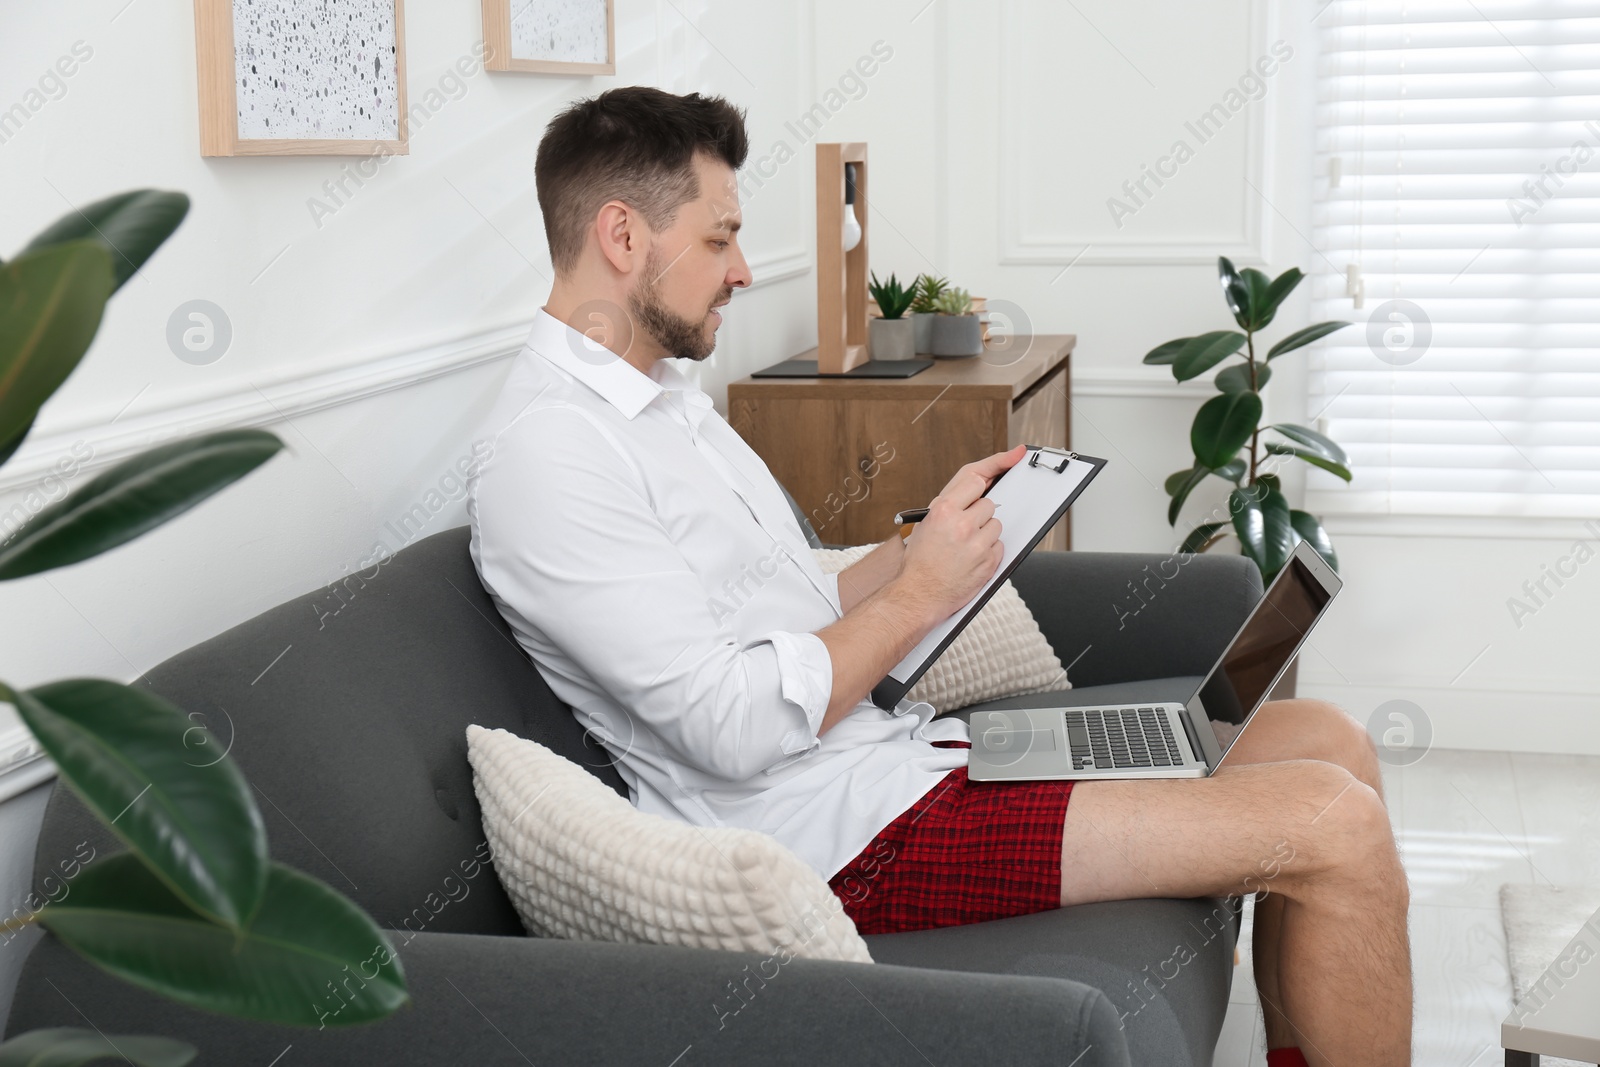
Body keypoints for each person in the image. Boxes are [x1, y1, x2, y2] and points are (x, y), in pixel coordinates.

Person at [467, 86, 1411, 1067]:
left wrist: (924, 545)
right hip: (847, 835)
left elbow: (789, 603)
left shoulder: (667, 399)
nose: (743, 270)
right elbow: (728, 723)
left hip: (907, 754)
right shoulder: (550, 456)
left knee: (1327, 740)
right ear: (621, 236)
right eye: (720, 239)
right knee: (1331, 823)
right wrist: (921, 594)